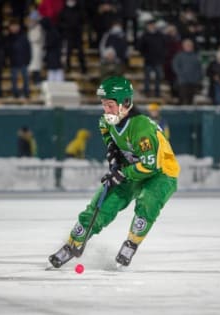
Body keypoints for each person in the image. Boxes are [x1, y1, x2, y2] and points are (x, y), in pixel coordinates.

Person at [49, 76, 180, 268]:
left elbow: (150, 165)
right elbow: (108, 136)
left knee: (147, 201)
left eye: (110, 105)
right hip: (132, 168)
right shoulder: (106, 121)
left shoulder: (141, 128)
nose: (106, 110)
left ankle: (132, 242)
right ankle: (74, 242)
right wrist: (113, 154)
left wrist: (121, 174)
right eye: (104, 105)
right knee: (101, 203)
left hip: (161, 172)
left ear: (125, 103)